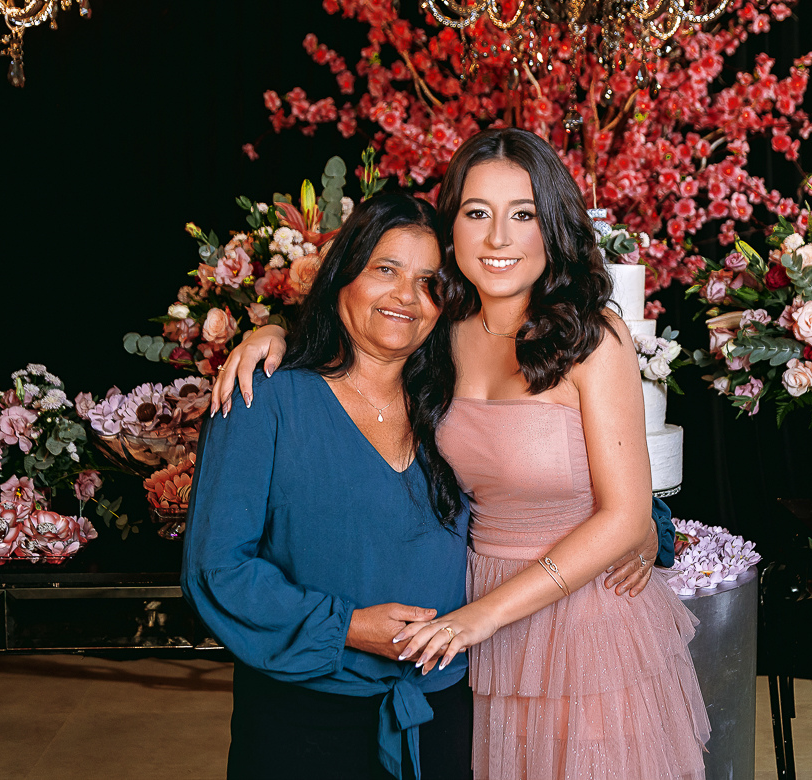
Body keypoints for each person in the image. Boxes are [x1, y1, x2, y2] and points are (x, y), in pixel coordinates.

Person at [213, 128, 709, 779]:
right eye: (478, 213)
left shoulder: (594, 336)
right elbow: (358, 332)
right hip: (473, 633)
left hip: (577, 621)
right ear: (452, 229)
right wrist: (273, 333)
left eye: (522, 214)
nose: (499, 238)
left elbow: (623, 513)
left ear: (553, 224)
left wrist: (482, 617)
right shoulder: (436, 328)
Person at [183, 193, 474, 780]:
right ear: (343, 275)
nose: (406, 296)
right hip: (303, 720)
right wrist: (349, 627)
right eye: (385, 269)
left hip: (440, 714)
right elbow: (216, 570)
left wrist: (639, 521)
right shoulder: (263, 398)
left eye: (429, 283)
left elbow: (540, 493)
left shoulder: (456, 405)